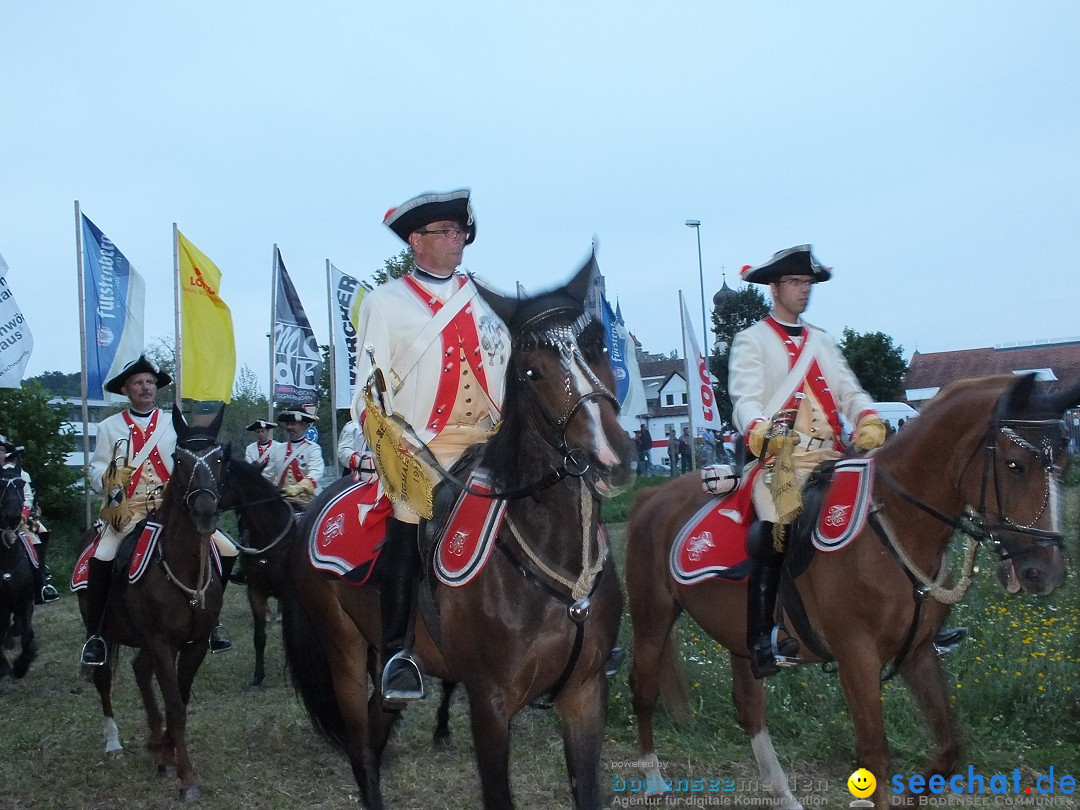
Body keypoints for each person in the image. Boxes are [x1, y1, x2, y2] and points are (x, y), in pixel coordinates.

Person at [352, 188, 511, 701]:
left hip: (494, 437)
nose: (457, 240)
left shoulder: (489, 295)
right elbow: (369, 392)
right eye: (444, 232)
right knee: (406, 523)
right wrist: (395, 446)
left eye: (460, 231)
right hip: (423, 444)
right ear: (416, 241)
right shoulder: (384, 302)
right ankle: (398, 652)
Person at [729, 246, 886, 678]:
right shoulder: (752, 340)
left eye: (808, 284)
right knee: (776, 527)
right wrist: (759, 429)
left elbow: (849, 392)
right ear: (774, 287)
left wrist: (867, 417)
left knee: (888, 509)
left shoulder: (823, 341)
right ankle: (763, 636)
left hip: (834, 456)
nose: (804, 291)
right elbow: (744, 398)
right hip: (780, 460)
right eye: (796, 283)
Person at [81, 355, 238, 666]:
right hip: (129, 510)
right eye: (138, 382)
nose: (146, 387)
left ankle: (212, 620)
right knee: (102, 557)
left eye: (150, 382)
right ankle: (96, 635)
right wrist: (109, 476)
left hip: (171, 510)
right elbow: (95, 468)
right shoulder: (108, 426)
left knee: (227, 548)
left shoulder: (173, 423)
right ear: (126, 389)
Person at [0, 437, 60, 603]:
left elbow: (27, 497)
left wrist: (23, 515)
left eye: (1, 450)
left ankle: (41, 584)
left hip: (15, 522)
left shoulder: (17, 472)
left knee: (35, 539)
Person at [269, 410, 325, 506]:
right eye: (288, 424)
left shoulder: (312, 448)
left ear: (304, 425)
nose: (289, 427)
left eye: (293, 424)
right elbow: (268, 474)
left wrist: (299, 488)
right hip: (282, 500)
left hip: (307, 500)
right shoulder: (278, 449)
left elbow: (316, 472)